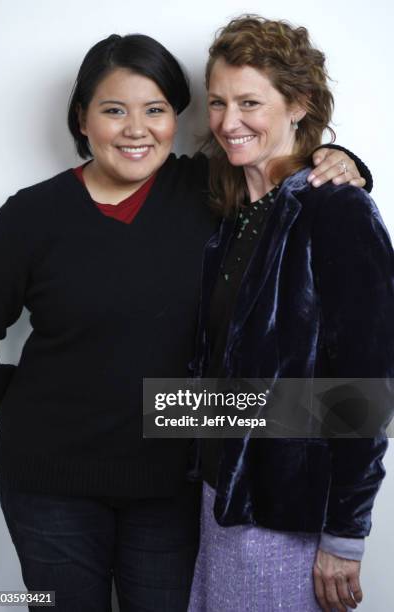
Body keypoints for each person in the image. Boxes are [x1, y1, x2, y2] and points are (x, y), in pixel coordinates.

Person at [0, 32, 369, 612]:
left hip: (171, 487)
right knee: (43, 603)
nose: (135, 129)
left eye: (156, 110)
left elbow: (282, 172)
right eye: (113, 110)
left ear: (174, 119)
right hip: (47, 486)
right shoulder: (30, 214)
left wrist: (341, 161)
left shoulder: (207, 189)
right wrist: (19, 401)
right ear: (83, 120)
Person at [188, 15, 394, 612]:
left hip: (286, 516)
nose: (229, 122)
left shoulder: (335, 209)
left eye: (250, 102)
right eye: (218, 102)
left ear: (299, 104)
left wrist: (345, 536)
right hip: (216, 500)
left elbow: (367, 382)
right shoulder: (234, 213)